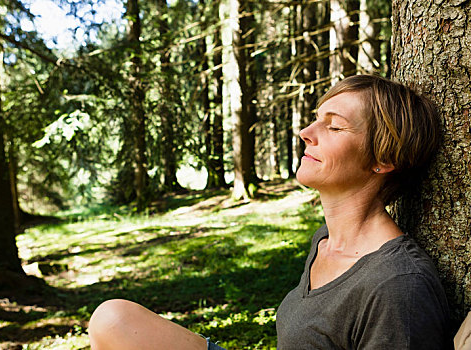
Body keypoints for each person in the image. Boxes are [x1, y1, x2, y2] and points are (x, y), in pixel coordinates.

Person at [88, 74, 450, 350]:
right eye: (315, 119)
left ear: (383, 159)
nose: (306, 132)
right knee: (113, 319)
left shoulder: (398, 286)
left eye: (334, 125)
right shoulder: (325, 241)